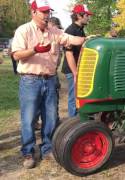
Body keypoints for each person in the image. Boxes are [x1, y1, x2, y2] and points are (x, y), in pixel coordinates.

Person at [11, 0, 86, 169]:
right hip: (30, 80)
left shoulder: (54, 31)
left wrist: (86, 39)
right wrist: (35, 50)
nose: (47, 15)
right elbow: (16, 55)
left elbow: (69, 38)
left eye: (48, 12)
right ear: (33, 12)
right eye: (43, 12)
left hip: (50, 80)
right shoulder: (24, 30)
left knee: (51, 117)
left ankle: (47, 148)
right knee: (28, 118)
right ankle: (28, 151)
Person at [61, 4, 93, 117]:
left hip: (78, 69)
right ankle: (73, 122)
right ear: (79, 16)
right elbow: (69, 54)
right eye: (86, 15)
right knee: (74, 97)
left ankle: (79, 119)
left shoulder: (80, 29)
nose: (88, 17)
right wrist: (75, 74)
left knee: (80, 96)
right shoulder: (71, 30)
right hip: (72, 69)